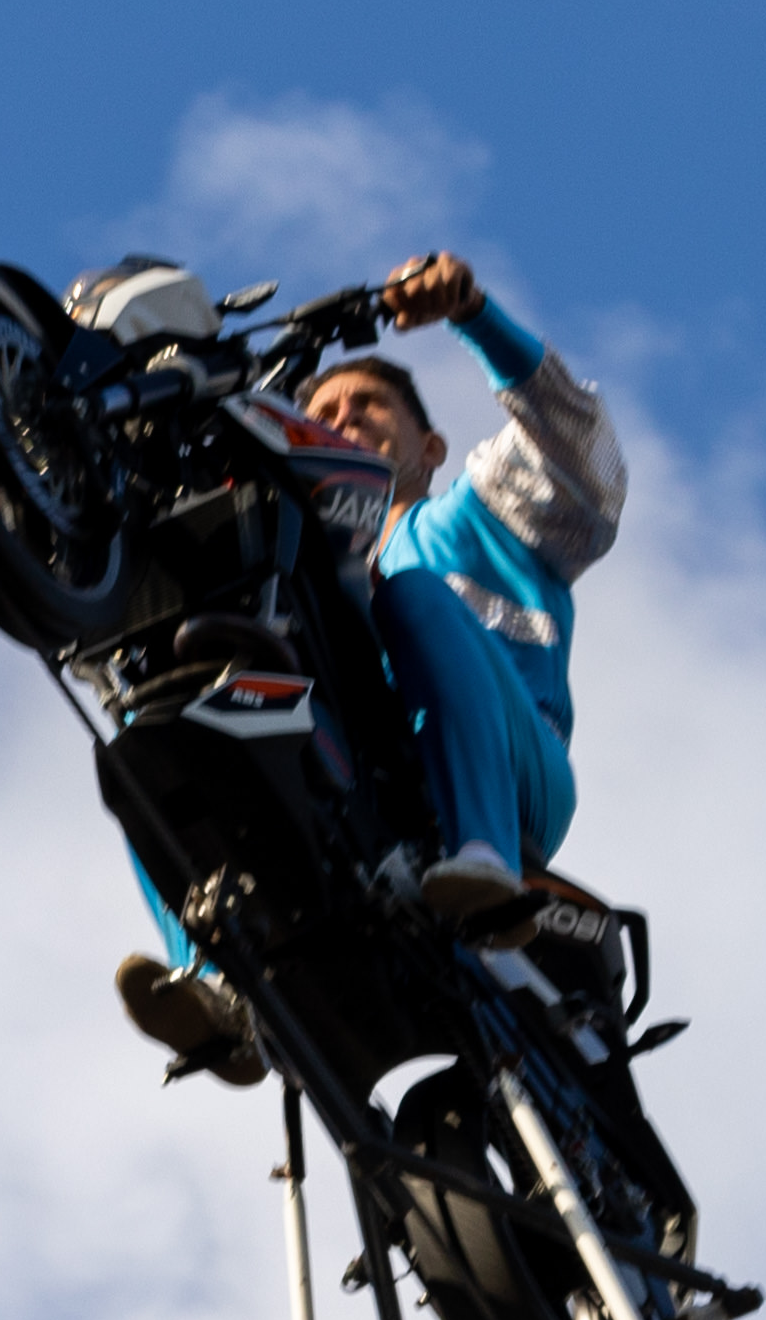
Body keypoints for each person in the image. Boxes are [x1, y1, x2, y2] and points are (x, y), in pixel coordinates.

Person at [115, 250, 630, 1082]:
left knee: (411, 592)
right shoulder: (297, 569)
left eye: (369, 404)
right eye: (323, 409)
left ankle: (485, 860)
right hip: (372, 784)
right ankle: (218, 988)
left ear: (430, 446)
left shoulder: (476, 517)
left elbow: (583, 457)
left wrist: (474, 316)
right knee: (164, 721)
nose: (343, 416)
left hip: (513, 778)